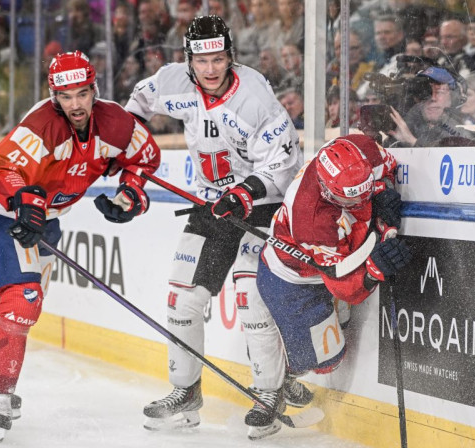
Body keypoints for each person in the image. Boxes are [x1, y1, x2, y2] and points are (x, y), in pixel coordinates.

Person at [0, 51, 161, 443]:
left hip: (47, 220)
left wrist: (130, 194)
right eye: (66, 96)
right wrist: (22, 200)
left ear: (94, 89)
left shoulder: (115, 122)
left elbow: (144, 156)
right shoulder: (41, 127)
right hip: (1, 215)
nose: (76, 104)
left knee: (21, 306)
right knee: (23, 300)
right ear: (53, 96)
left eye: (83, 93)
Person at [123, 15, 308, 439]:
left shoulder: (255, 95)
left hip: (260, 206)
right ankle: (185, 393)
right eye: (202, 60)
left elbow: (284, 161)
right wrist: (128, 151)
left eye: (219, 59)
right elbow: (136, 107)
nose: (210, 69)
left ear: (231, 56)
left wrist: (244, 193)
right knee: (182, 297)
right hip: (210, 204)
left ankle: (270, 391)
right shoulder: (174, 81)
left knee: (250, 296)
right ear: (189, 59)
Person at [256, 134, 412, 435]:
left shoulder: (361, 149)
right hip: (293, 277)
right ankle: (283, 375)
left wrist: (382, 197)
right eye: (352, 198)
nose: (362, 199)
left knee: (333, 348)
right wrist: (376, 269)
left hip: (333, 255)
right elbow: (343, 285)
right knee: (327, 361)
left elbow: (385, 173)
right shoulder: (310, 218)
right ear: (327, 191)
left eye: (365, 189)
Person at [388, 66, 475, 147]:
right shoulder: (408, 129)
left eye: (439, 92)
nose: (432, 98)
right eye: (426, 92)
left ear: (454, 98)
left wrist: (412, 141)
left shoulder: (465, 137)